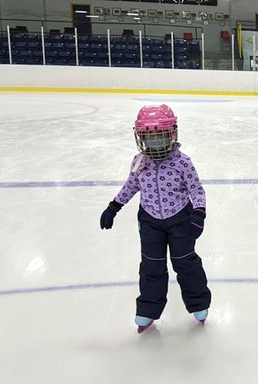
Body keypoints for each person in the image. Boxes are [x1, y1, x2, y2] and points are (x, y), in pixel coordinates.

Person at [100, 104, 212, 334]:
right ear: (140, 137)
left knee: (186, 263)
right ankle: (148, 310)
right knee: (151, 266)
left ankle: (199, 304)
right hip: (150, 222)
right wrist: (114, 206)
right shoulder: (140, 162)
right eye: (149, 138)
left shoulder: (182, 162)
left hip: (180, 219)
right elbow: (131, 186)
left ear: (172, 134)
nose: (155, 143)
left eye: (160, 136)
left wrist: (198, 213)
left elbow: (197, 190)